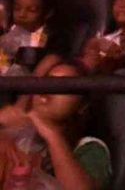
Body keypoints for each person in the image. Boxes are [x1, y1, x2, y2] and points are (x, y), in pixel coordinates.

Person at [0, 60, 112, 189]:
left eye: (61, 86)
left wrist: (51, 134)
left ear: (82, 105)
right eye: (47, 82)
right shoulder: (17, 136)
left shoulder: (91, 148)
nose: (48, 90)